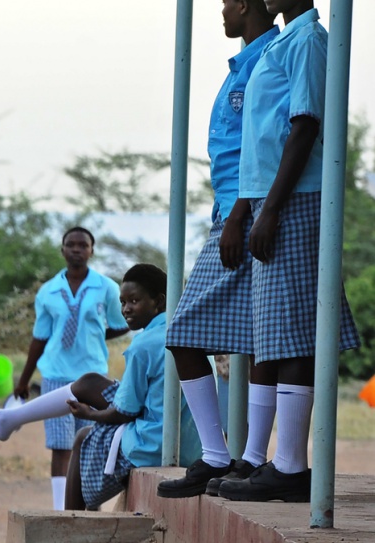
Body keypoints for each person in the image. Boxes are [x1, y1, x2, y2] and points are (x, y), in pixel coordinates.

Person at [215, 0, 359, 502]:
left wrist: (271, 208)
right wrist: (253, 205)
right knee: (275, 332)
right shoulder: (285, 39)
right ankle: (269, 462)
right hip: (270, 198)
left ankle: (292, 466)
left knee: (295, 331)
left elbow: (305, 124)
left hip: (296, 198)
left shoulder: (309, 40)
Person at [156, 0, 281, 500]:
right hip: (230, 211)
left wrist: (239, 213)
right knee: (256, 339)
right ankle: (245, 458)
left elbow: (264, 143)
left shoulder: (267, 60)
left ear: (245, 5)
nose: (222, 11)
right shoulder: (248, 61)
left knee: (184, 330)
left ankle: (221, 454)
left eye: (227, 2)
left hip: (243, 212)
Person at [0, 264, 201, 510]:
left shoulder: (144, 345)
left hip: (157, 444)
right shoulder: (188, 334)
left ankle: (72, 522)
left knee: (82, 438)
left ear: (159, 301)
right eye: (122, 302)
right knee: (89, 383)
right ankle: (9, 419)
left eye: (134, 301)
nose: (126, 309)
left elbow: (125, 412)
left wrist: (91, 414)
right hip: (191, 444)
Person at [12, 227, 128, 510]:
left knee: (88, 442)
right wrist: (25, 380)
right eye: (71, 245)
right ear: (62, 250)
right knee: (61, 446)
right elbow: (40, 337)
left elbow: (121, 322)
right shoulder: (49, 291)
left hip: (92, 377)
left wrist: (95, 335)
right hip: (56, 375)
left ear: (92, 250)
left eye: (83, 245)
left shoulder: (107, 288)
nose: (77, 249)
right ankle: (59, 509)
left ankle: (88, 506)